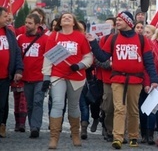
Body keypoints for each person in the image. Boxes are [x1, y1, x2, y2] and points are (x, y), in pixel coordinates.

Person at [87, 11, 158, 149]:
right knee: (119, 109)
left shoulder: (141, 40)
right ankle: (118, 137)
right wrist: (93, 44)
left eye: (120, 20)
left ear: (129, 22)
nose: (117, 22)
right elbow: (103, 57)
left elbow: (149, 61)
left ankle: (133, 136)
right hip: (117, 78)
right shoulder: (113, 38)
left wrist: (154, 79)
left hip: (135, 79)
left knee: (133, 110)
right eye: (117, 20)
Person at [41, 12, 93, 149]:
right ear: (60, 22)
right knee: (57, 103)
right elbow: (48, 58)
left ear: (74, 22)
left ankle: (75, 134)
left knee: (74, 106)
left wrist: (79, 65)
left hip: (76, 76)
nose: (66, 18)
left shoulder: (80, 37)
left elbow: (88, 57)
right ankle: (54, 138)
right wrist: (46, 77)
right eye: (63, 17)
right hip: (58, 75)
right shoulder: (54, 36)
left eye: (69, 17)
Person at [16, 13, 48, 138]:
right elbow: (18, 56)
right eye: (26, 23)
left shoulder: (45, 39)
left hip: (40, 76)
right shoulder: (21, 39)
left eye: (30, 23)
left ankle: (35, 127)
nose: (27, 25)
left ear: (37, 25)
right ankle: (32, 125)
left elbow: (49, 57)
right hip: (26, 76)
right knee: (29, 104)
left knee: (38, 101)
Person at [0, 7, 24, 138]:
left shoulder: (9, 33)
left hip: (4, 76)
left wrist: (19, 69)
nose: (7, 18)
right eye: (4, 16)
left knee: (2, 104)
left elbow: (16, 53)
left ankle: (2, 125)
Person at [96, 17, 116, 142]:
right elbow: (98, 59)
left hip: (123, 78)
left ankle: (116, 132)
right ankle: (107, 127)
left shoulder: (124, 39)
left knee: (120, 107)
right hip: (107, 78)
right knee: (108, 106)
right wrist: (109, 64)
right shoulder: (103, 39)